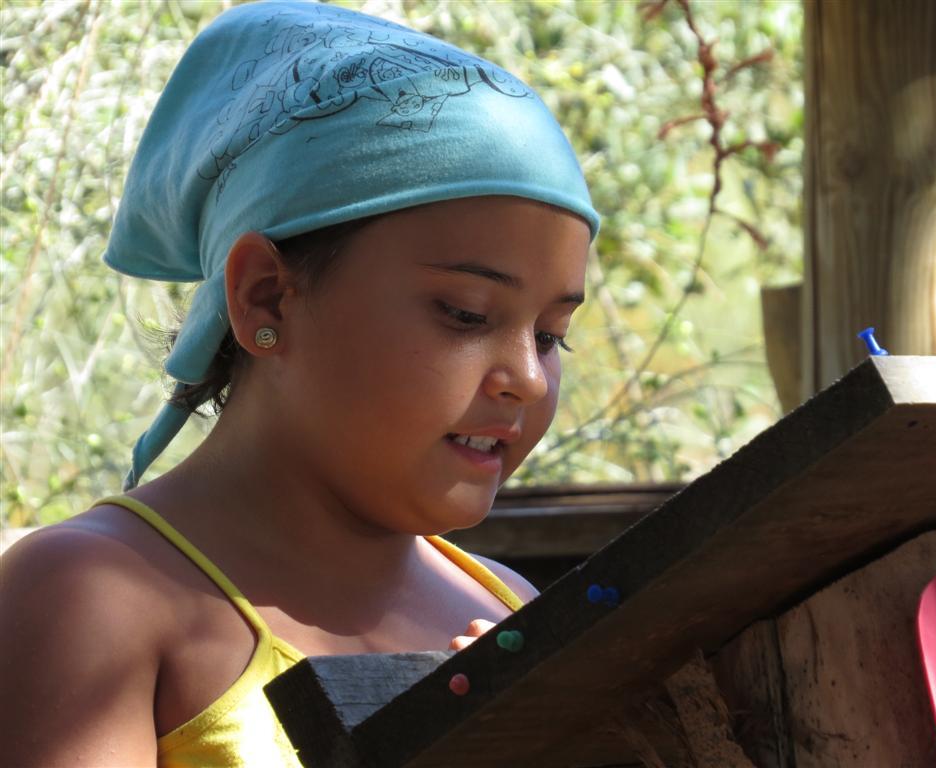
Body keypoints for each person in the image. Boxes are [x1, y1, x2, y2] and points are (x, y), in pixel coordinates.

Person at [0, 1, 600, 766]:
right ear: (267, 298)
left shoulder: (511, 610)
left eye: (551, 337)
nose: (525, 376)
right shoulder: (95, 598)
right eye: (465, 313)